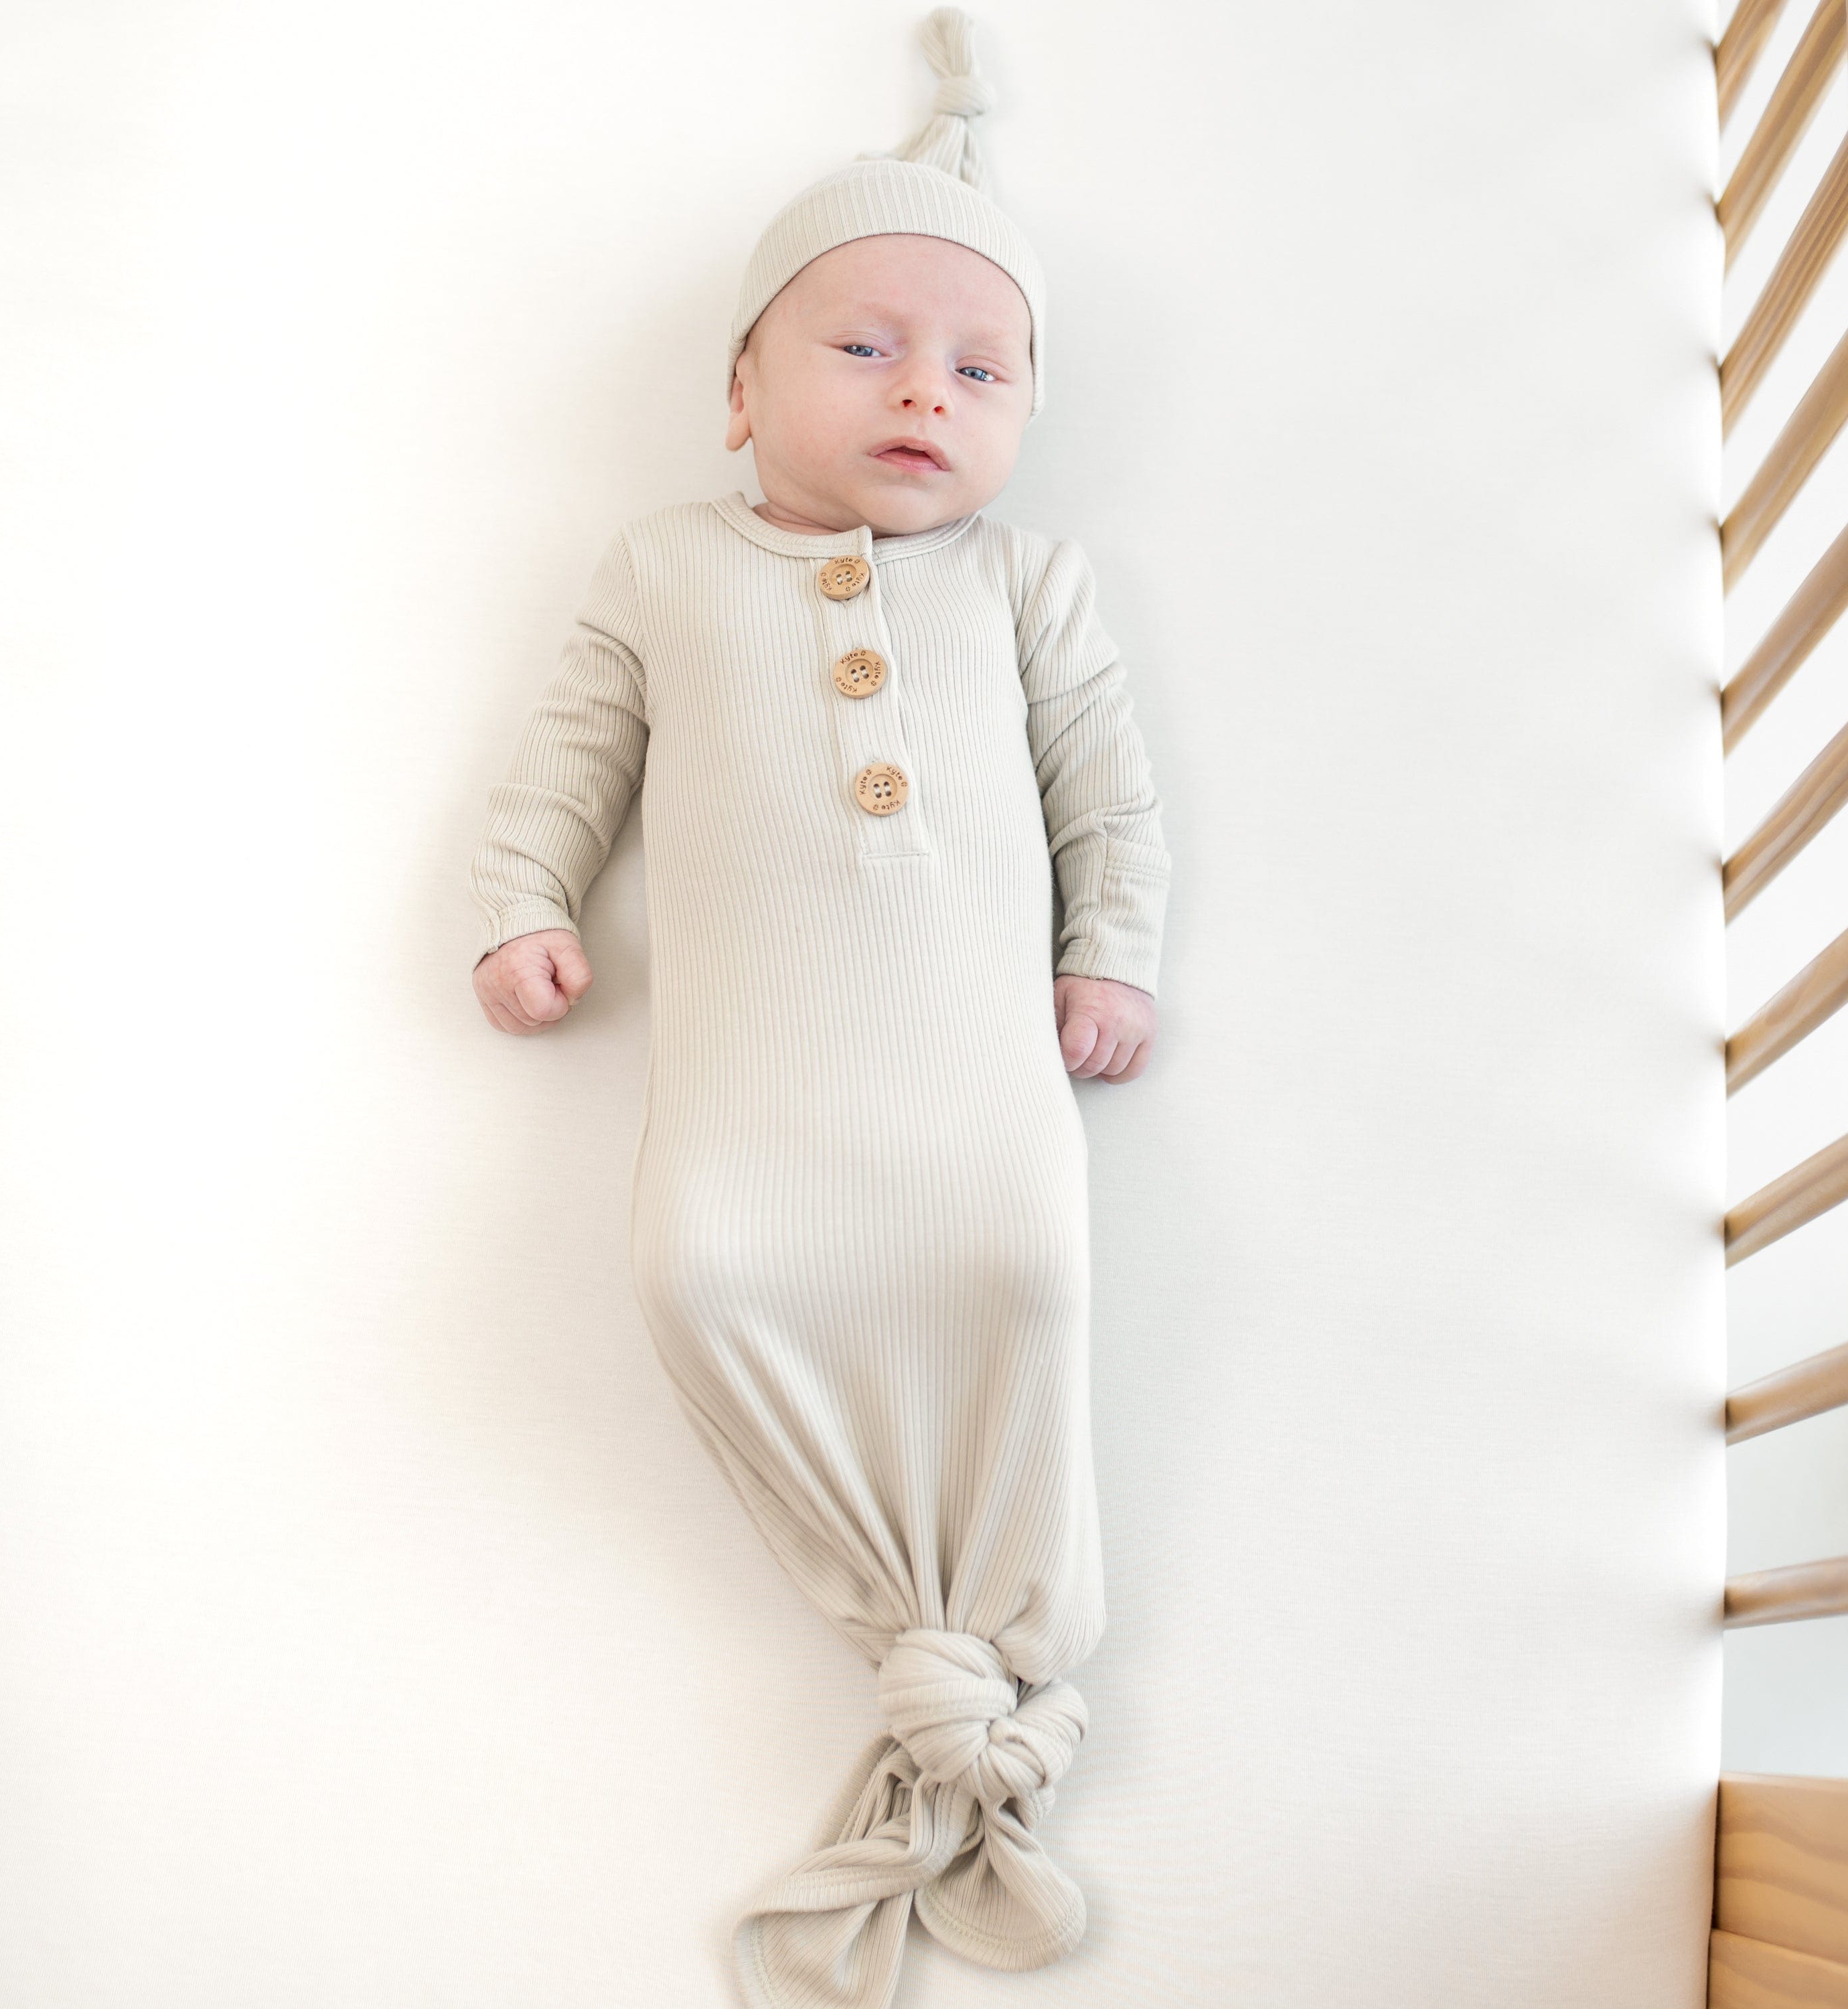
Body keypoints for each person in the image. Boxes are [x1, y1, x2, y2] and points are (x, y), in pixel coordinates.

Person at [466, 13, 1170, 2005]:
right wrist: (520, 905)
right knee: (700, 1268)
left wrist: (1111, 953)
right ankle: (908, 1630)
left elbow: (1109, 792)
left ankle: (988, 1652)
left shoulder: (1026, 587)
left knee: (1023, 1273)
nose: (926, 395)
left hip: (972, 1072)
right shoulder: (667, 564)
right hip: (754, 1076)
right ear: (737, 390)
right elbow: (567, 758)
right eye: (864, 347)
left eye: (983, 366)